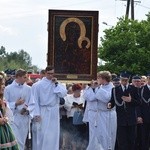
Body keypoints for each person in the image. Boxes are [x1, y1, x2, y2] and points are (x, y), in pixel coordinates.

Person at [32, 66, 67, 150]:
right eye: (49, 73)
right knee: (43, 134)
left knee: (53, 134)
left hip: (54, 111)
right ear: (45, 73)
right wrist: (36, 113)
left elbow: (63, 94)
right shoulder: (37, 85)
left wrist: (56, 84)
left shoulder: (57, 84)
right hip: (42, 110)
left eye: (52, 73)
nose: (50, 75)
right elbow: (34, 100)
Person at [84, 71, 117, 150]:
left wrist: (98, 88)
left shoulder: (112, 88)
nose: (97, 80)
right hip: (99, 115)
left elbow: (106, 99)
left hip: (108, 115)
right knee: (97, 136)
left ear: (103, 79)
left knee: (107, 135)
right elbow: (89, 97)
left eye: (98, 78)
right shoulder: (100, 87)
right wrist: (92, 88)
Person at [108, 71, 141, 150]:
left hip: (131, 119)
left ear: (128, 80)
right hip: (120, 119)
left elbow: (139, 102)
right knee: (122, 141)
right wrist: (109, 104)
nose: (124, 82)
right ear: (120, 79)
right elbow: (113, 101)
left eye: (126, 80)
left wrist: (131, 100)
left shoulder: (133, 89)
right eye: (122, 80)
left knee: (131, 140)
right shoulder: (115, 89)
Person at [4, 69, 35, 150]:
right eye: (24, 77)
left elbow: (32, 103)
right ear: (18, 77)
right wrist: (15, 104)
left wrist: (27, 110)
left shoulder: (28, 89)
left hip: (24, 118)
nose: (26, 79)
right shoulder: (8, 89)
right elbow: (5, 104)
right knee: (15, 140)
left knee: (22, 141)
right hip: (13, 118)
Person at [64, 83, 87, 150]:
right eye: (75, 91)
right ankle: (74, 147)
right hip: (71, 118)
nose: (77, 92)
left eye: (78, 90)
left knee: (81, 134)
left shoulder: (84, 97)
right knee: (73, 133)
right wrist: (72, 106)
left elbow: (86, 106)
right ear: (73, 91)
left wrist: (81, 107)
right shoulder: (68, 97)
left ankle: (81, 147)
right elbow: (66, 105)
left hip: (81, 118)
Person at [0, 73, 19, 150]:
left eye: (4, 84)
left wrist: (5, 118)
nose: (4, 86)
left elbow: (5, 115)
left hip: (3, 131)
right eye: (1, 84)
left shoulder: (2, 100)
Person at [139, 72, 150, 150]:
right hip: (144, 116)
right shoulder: (141, 89)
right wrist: (139, 115)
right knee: (144, 136)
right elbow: (139, 104)